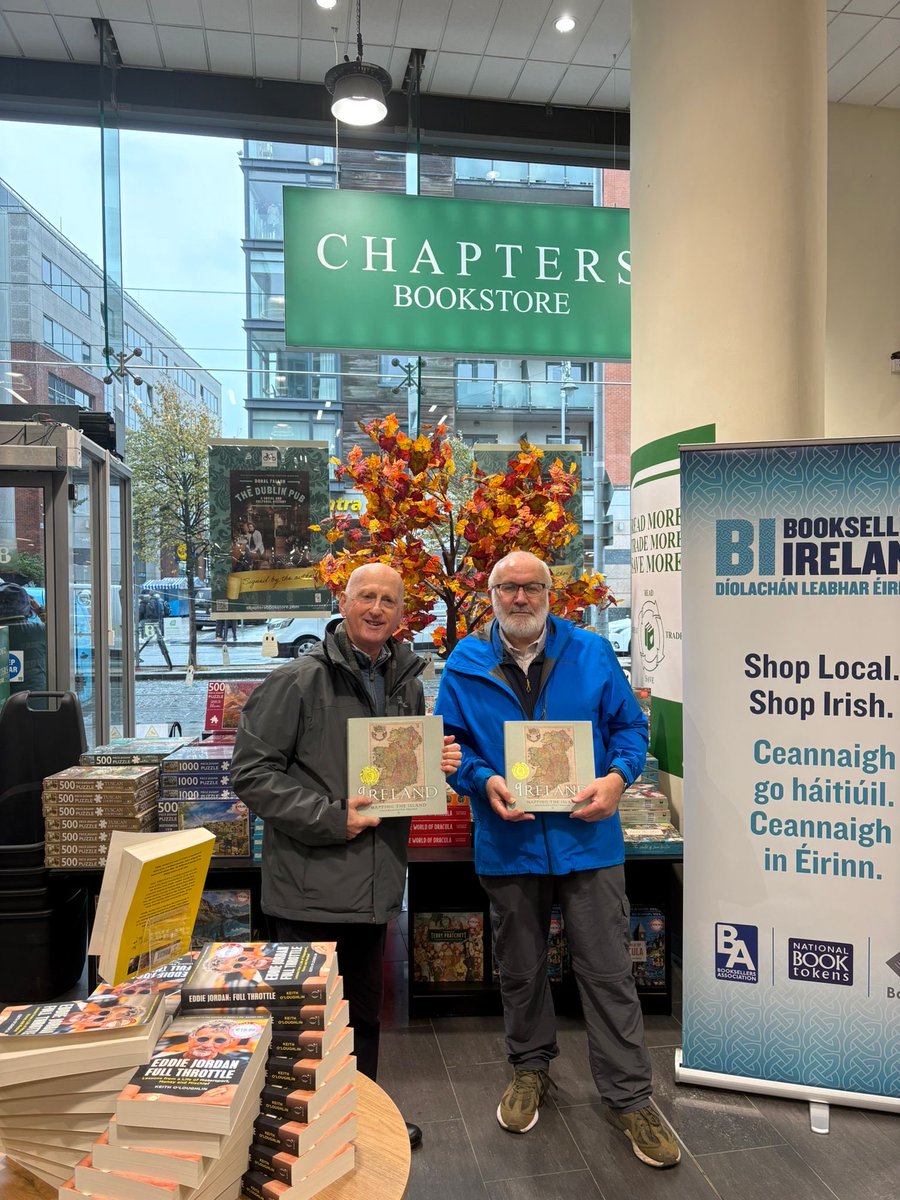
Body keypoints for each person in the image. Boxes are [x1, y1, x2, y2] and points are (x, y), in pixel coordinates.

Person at [434, 551, 681, 1169]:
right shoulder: (464, 662)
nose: (520, 598)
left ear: (551, 593)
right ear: (490, 593)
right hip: (508, 841)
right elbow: (449, 746)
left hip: (587, 840)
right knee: (518, 968)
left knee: (607, 971)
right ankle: (529, 1069)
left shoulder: (591, 652)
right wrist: (481, 779)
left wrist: (619, 780)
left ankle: (630, 1098)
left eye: (531, 587)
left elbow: (630, 729)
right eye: (508, 587)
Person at [231, 562, 462, 1151]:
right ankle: (299, 1141)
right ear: (343, 600)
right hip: (312, 883)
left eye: (389, 600)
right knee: (307, 1025)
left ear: (402, 614)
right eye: (366, 596)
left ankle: (360, 1122)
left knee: (363, 1018)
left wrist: (434, 767)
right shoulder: (299, 681)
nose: (376, 608)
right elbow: (252, 775)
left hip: (375, 883)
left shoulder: (407, 680)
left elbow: (394, 775)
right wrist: (334, 817)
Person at [137, 587, 173, 669]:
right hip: (159, 620)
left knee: (147, 635)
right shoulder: (160, 600)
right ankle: (157, 640)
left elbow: (141, 612)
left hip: (148, 621)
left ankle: (145, 641)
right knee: (158, 635)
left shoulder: (145, 602)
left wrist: (138, 620)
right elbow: (166, 611)